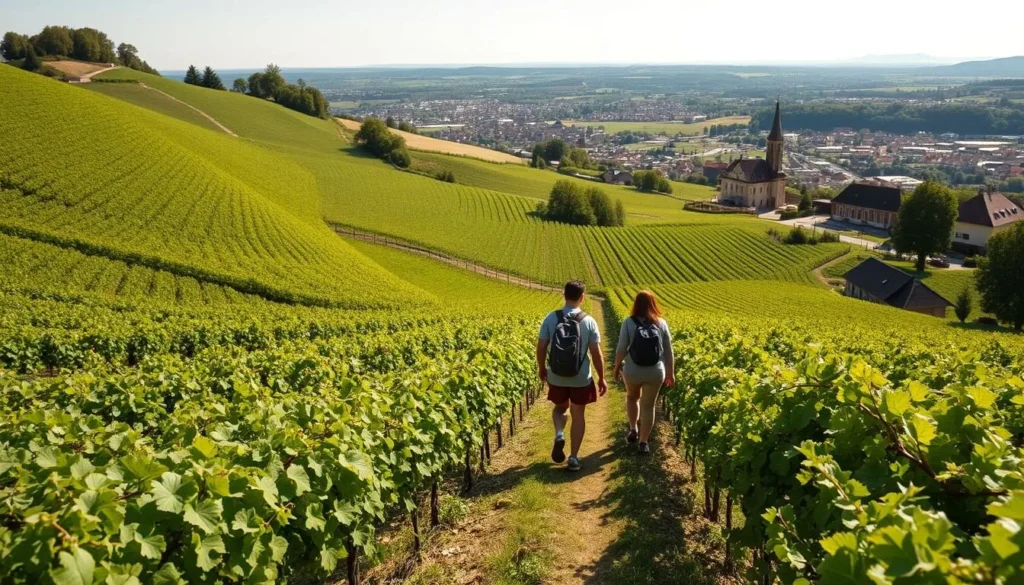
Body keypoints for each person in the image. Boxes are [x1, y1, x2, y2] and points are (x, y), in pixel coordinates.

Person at [537, 280, 606, 471]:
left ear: (564, 295)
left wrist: (542, 368)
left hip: (557, 375)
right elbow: (596, 353)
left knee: (560, 408)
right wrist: (602, 377)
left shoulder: (551, 318)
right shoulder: (589, 321)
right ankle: (574, 457)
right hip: (581, 377)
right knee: (578, 415)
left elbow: (541, 346)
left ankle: (559, 432)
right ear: (582, 298)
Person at [612, 290, 674, 454]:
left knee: (632, 397)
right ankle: (643, 443)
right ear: (653, 304)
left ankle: (633, 428)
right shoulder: (661, 323)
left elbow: (621, 348)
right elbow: (668, 352)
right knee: (648, 405)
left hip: (632, 370)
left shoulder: (628, 323)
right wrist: (670, 373)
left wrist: (617, 367)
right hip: (655, 371)